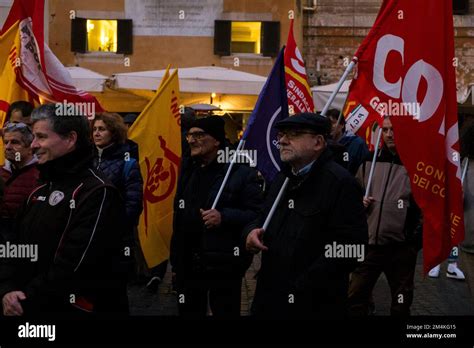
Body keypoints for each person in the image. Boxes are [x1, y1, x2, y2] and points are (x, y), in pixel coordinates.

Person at [0, 104, 129, 316]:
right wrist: (8, 288)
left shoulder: (98, 191)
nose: (33, 145)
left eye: (41, 137)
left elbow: (75, 262)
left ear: (70, 139)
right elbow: (14, 245)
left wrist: (27, 299)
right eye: (33, 137)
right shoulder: (39, 188)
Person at [244, 112, 368, 319]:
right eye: (282, 134)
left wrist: (302, 283)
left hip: (313, 303)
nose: (282, 140)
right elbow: (260, 216)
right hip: (270, 297)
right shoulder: (282, 179)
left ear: (318, 142)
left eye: (294, 134)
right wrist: (249, 233)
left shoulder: (340, 183)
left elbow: (352, 248)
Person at [170, 116, 262, 317]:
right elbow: (179, 216)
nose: (192, 140)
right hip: (189, 263)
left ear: (217, 141)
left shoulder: (240, 172)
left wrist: (224, 217)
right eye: (190, 135)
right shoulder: (188, 168)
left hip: (223, 264)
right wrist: (176, 261)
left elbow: (256, 214)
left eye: (199, 135)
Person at [348, 117, 423, 317]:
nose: (390, 134)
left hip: (401, 248)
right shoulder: (369, 160)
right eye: (386, 129)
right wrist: (358, 202)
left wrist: (413, 241)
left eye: (394, 130)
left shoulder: (417, 164)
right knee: (355, 294)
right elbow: (353, 194)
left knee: (401, 302)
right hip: (369, 244)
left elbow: (426, 207)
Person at [91, 113, 143, 284]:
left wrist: (115, 226)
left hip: (116, 240)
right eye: (95, 129)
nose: (96, 133)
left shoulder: (128, 163)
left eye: (102, 129)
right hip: (88, 235)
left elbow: (133, 203)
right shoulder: (87, 161)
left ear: (114, 133)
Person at [0, 122, 39, 243]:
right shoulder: (1, 172)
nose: (8, 147)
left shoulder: (42, 176)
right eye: (6, 142)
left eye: (15, 142)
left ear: (30, 148)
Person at [327, 109, 369, 175]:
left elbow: (365, 170)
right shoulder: (324, 145)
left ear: (342, 125)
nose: (330, 126)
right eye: (327, 123)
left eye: (333, 122)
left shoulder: (357, 144)